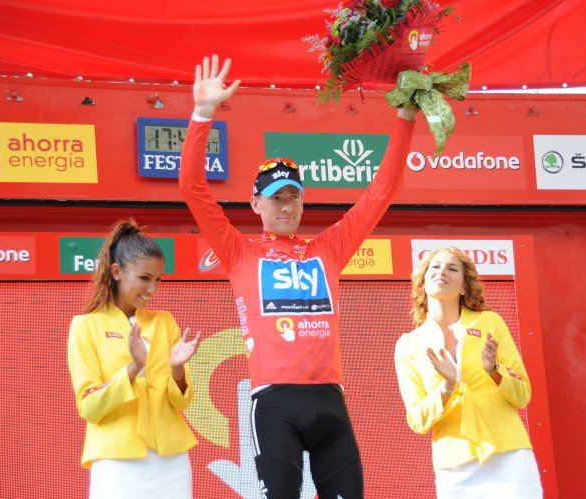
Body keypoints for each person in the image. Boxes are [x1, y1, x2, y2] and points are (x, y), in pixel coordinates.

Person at [179, 55, 418, 498]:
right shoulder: (239, 252)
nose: (286, 206)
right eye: (276, 198)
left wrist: (405, 117)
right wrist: (202, 114)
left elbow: (381, 191)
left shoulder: (328, 248)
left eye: (294, 196)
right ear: (256, 204)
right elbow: (192, 189)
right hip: (275, 405)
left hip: (330, 401)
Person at [67, 220, 201, 499]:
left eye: (158, 279)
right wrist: (133, 368)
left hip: (171, 461)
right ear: (117, 272)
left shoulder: (165, 322)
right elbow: (89, 406)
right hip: (116, 461)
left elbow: (181, 402)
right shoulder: (85, 326)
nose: (153, 289)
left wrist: (177, 369)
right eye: (145, 278)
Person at [394, 247, 542, 498]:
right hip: (454, 466)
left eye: (452, 268)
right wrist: (446, 387)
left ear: (464, 286)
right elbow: (417, 420)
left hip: (510, 454)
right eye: (435, 267)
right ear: (423, 281)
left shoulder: (490, 323)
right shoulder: (409, 345)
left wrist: (494, 370)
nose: (442, 271)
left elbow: (522, 395)